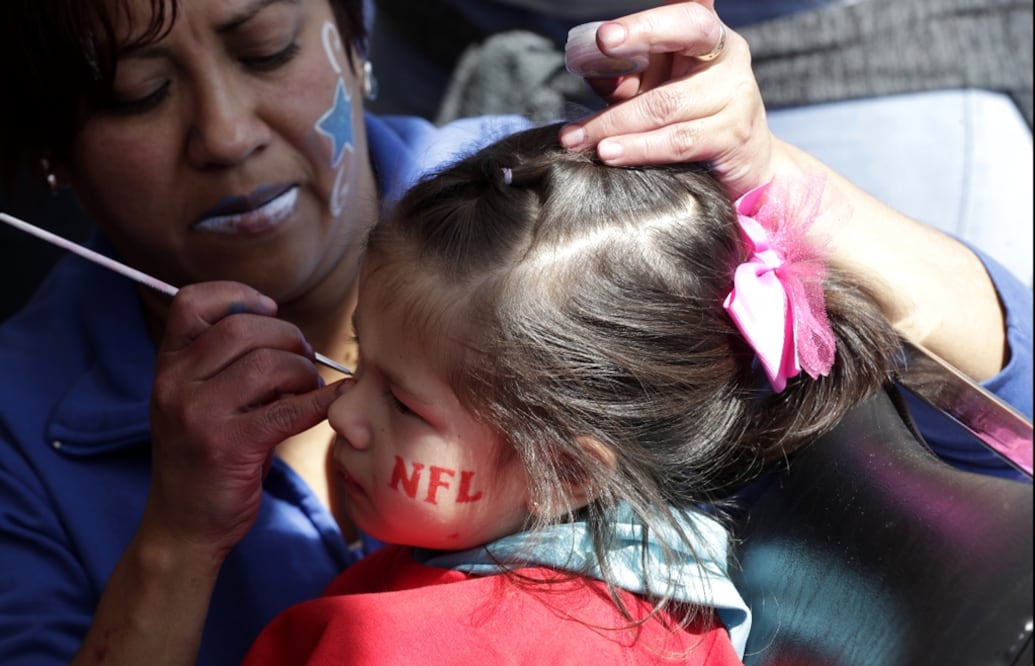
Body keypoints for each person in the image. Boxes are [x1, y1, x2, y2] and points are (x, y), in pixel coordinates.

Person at [0, 1, 1028, 664]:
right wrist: (176, 543)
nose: (225, 134)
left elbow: (994, 436)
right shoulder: (21, 423)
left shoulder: (556, 213)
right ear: (53, 153)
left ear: (357, 41)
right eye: (139, 93)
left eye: (266, 49)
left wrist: (776, 189)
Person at [235, 120, 905, 663]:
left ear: (564, 469)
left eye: (404, 405)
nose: (342, 410)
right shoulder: (670, 624)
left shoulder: (405, 646)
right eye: (358, 359)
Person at [368, 0, 1035, 288]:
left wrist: (769, 172)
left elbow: (990, 424)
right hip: (433, 38)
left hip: (852, 65)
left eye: (272, 50)